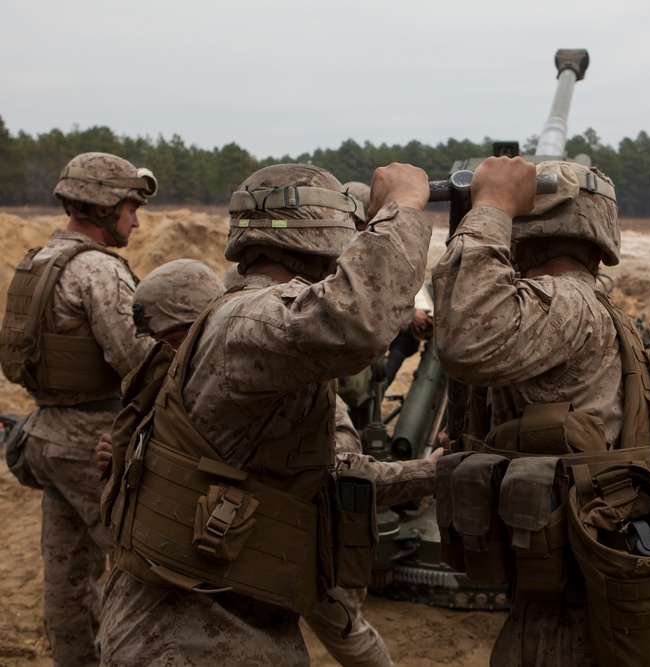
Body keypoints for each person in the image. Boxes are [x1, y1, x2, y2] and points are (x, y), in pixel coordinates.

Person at [98, 163, 441, 666]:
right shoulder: (248, 317)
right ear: (327, 238)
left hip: (218, 620)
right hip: (190, 637)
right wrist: (405, 207)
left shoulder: (251, 327)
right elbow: (361, 320)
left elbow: (329, 481)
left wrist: (436, 472)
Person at [432, 157, 650, 666]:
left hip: (577, 615)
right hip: (582, 593)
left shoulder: (566, 306)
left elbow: (465, 336)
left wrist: (491, 209)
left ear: (522, 236)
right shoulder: (591, 308)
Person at [0, 152, 157, 667]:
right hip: (92, 440)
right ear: (105, 206)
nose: (136, 220)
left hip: (45, 432)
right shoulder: (98, 270)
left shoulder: (39, 259)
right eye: (131, 207)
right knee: (142, 568)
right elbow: (136, 358)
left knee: (65, 578)